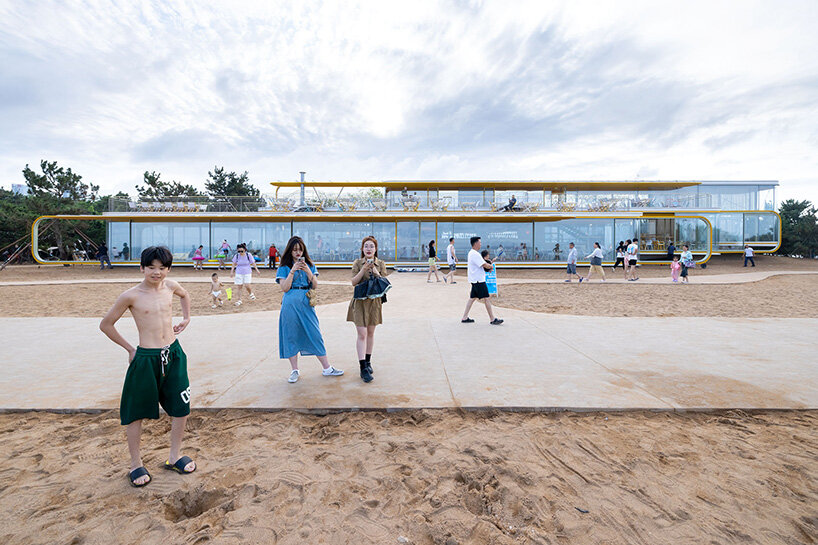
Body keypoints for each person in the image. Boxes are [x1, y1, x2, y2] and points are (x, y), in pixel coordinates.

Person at [98, 246, 195, 488]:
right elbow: (106, 324)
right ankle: (135, 463)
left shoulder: (171, 286)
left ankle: (174, 456)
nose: (157, 272)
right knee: (136, 412)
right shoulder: (131, 296)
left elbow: (185, 295)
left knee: (181, 408)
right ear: (142, 268)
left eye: (162, 268)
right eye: (151, 267)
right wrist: (130, 349)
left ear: (168, 269)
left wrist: (186, 318)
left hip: (173, 354)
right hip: (145, 358)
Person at [277, 236, 343, 383]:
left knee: (314, 333)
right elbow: (284, 288)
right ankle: (294, 370)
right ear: (290, 251)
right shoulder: (284, 267)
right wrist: (293, 271)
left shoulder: (310, 265)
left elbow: (315, 285)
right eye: (294, 250)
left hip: (306, 303)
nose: (298, 253)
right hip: (290, 304)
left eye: (300, 250)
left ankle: (327, 367)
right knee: (291, 335)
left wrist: (308, 271)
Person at [348, 236, 389, 383]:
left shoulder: (381, 264)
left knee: (370, 333)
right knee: (362, 333)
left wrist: (375, 271)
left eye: (372, 246)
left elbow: (385, 283)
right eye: (366, 246)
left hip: (374, 302)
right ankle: (362, 367)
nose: (369, 249)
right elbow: (353, 282)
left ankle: (368, 361)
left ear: (376, 249)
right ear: (362, 249)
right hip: (360, 302)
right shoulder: (357, 263)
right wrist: (363, 269)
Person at [461, 236, 503, 325]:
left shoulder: (472, 253)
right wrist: (491, 266)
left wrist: (489, 265)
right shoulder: (475, 254)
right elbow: (484, 264)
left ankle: (464, 317)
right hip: (479, 280)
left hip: (475, 280)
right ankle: (492, 319)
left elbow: (482, 264)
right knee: (486, 298)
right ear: (475, 243)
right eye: (480, 242)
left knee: (472, 299)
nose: (481, 244)